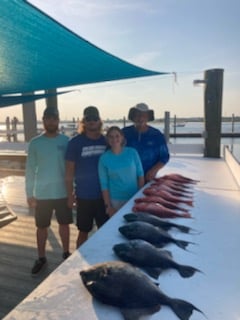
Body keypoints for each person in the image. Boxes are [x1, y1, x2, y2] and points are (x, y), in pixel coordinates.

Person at [25, 107, 73, 277]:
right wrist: (29, 194)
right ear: (43, 120)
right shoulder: (35, 143)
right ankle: (41, 257)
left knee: (65, 225)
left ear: (58, 120)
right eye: (48, 118)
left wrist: (72, 192)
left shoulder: (67, 141)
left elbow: (72, 169)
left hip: (62, 192)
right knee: (41, 227)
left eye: (54, 118)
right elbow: (30, 169)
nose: (51, 121)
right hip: (43, 193)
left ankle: (66, 253)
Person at [65, 106, 109, 247]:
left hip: (104, 195)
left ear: (99, 121)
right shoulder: (74, 143)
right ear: (83, 121)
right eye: (88, 118)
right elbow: (69, 170)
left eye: (95, 118)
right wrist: (70, 194)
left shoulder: (107, 141)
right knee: (83, 232)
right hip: (83, 196)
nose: (92, 121)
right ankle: (78, 260)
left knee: (105, 231)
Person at [98, 126, 144, 217]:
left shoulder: (132, 153)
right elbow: (104, 185)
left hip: (133, 198)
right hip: (115, 201)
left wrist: (139, 197)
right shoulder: (103, 158)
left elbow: (140, 175)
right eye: (111, 136)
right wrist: (108, 206)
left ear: (122, 137)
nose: (114, 139)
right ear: (107, 139)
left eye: (117, 136)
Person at [122, 103, 170, 182]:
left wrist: (154, 170)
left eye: (144, 115)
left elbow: (164, 156)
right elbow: (113, 152)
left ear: (148, 117)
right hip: (127, 179)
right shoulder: (123, 133)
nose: (140, 118)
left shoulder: (156, 135)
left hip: (149, 179)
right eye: (137, 115)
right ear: (133, 117)